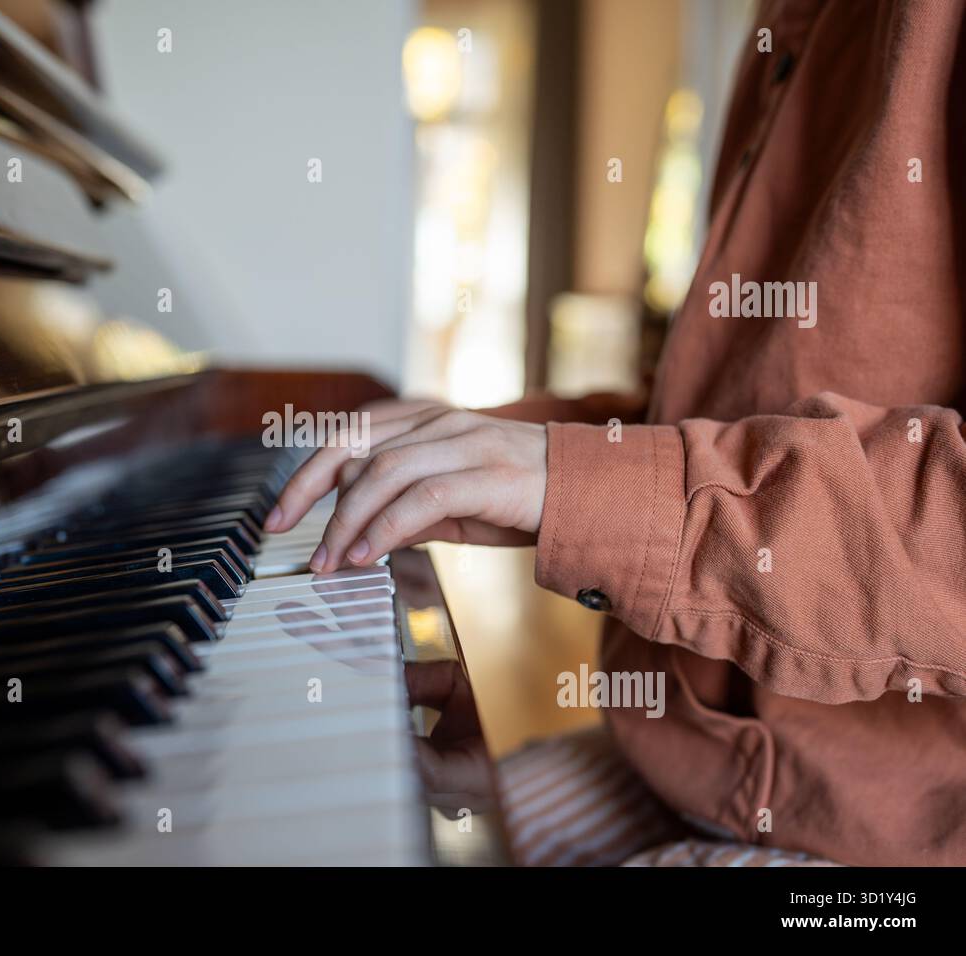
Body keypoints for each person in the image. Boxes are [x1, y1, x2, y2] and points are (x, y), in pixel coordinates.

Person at [264, 0, 966, 866]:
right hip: (717, 756)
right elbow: (751, 400)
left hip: (895, 827)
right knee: (382, 818)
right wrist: (513, 444)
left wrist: (584, 487)